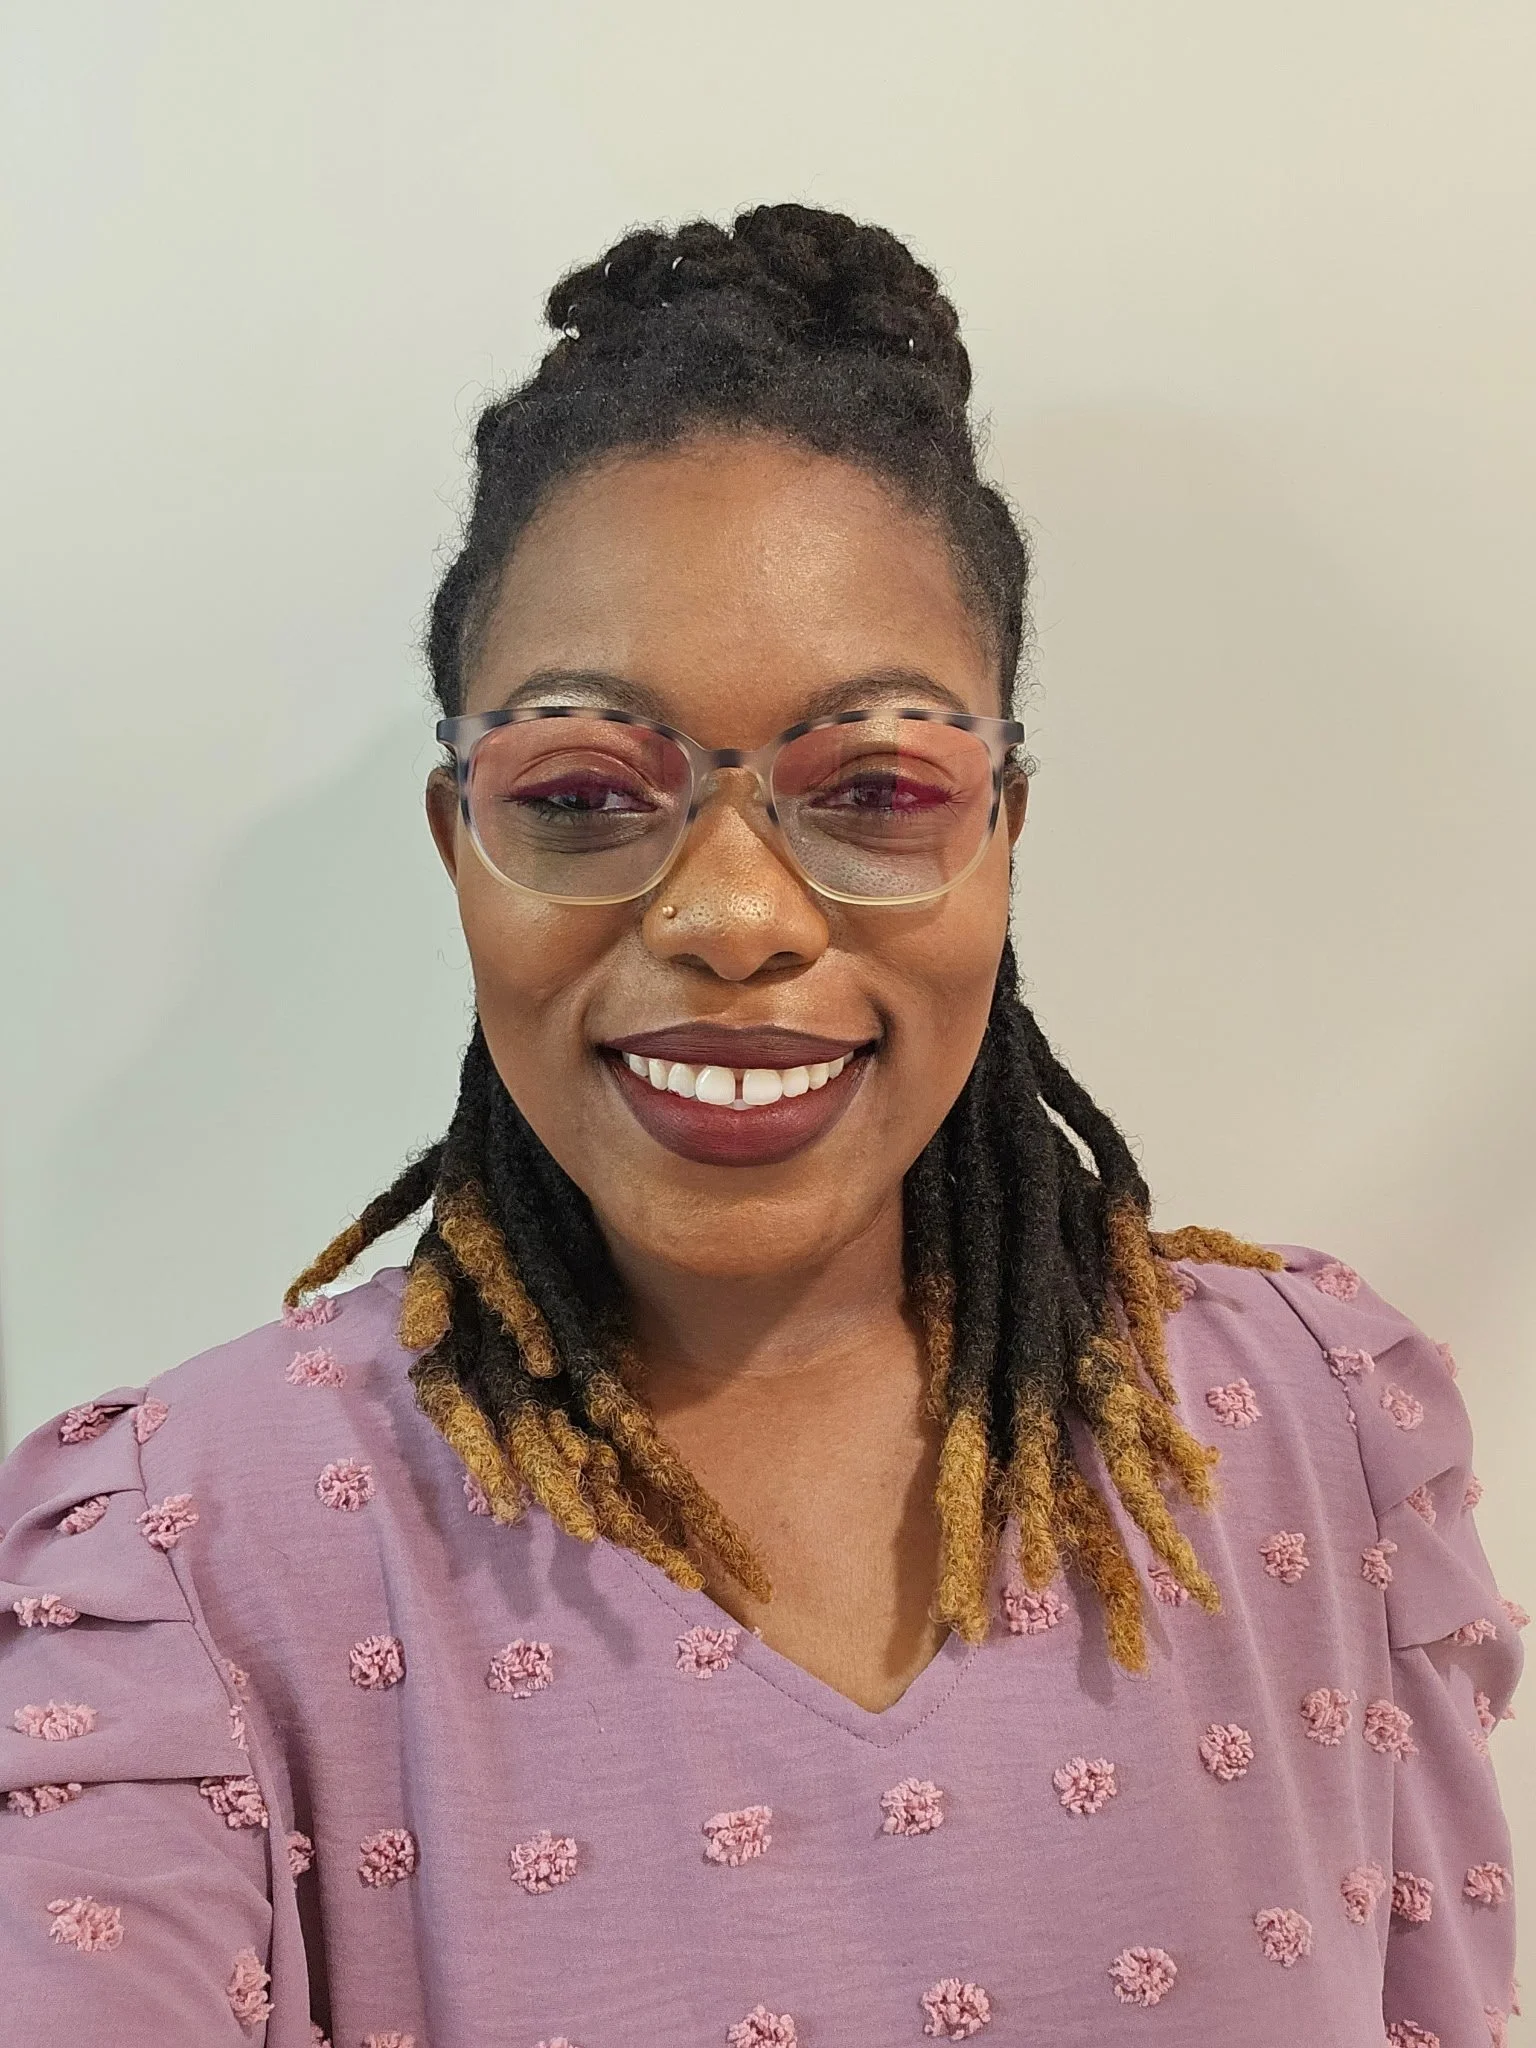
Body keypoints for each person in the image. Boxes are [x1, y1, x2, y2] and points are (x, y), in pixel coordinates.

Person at [0, 203, 1522, 2048]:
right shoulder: (188, 1552)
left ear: (1003, 838)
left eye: (877, 784)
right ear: (456, 849)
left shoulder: (1307, 1437)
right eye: (578, 789)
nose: (734, 913)